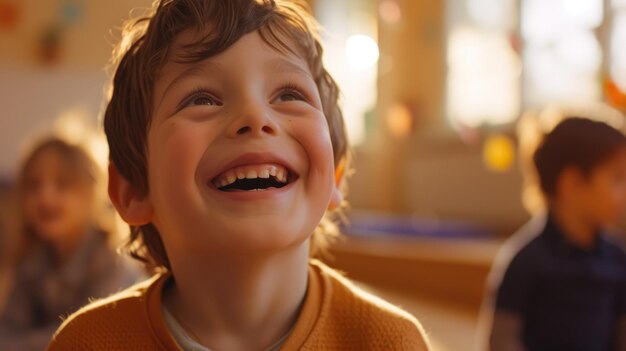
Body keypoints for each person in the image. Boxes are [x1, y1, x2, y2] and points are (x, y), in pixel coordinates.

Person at [47, 0, 430, 350]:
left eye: (289, 94)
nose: (255, 117)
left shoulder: (388, 342)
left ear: (335, 176)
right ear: (133, 189)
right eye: (202, 99)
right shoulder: (87, 343)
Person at [484, 117, 626, 351]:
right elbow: (501, 340)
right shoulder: (526, 260)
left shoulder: (618, 258)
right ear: (572, 183)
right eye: (617, 179)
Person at [0, 137, 143, 351]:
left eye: (63, 183)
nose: (45, 195)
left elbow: (87, 338)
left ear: (93, 192)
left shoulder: (111, 259)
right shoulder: (33, 259)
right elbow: (9, 328)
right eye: (33, 185)